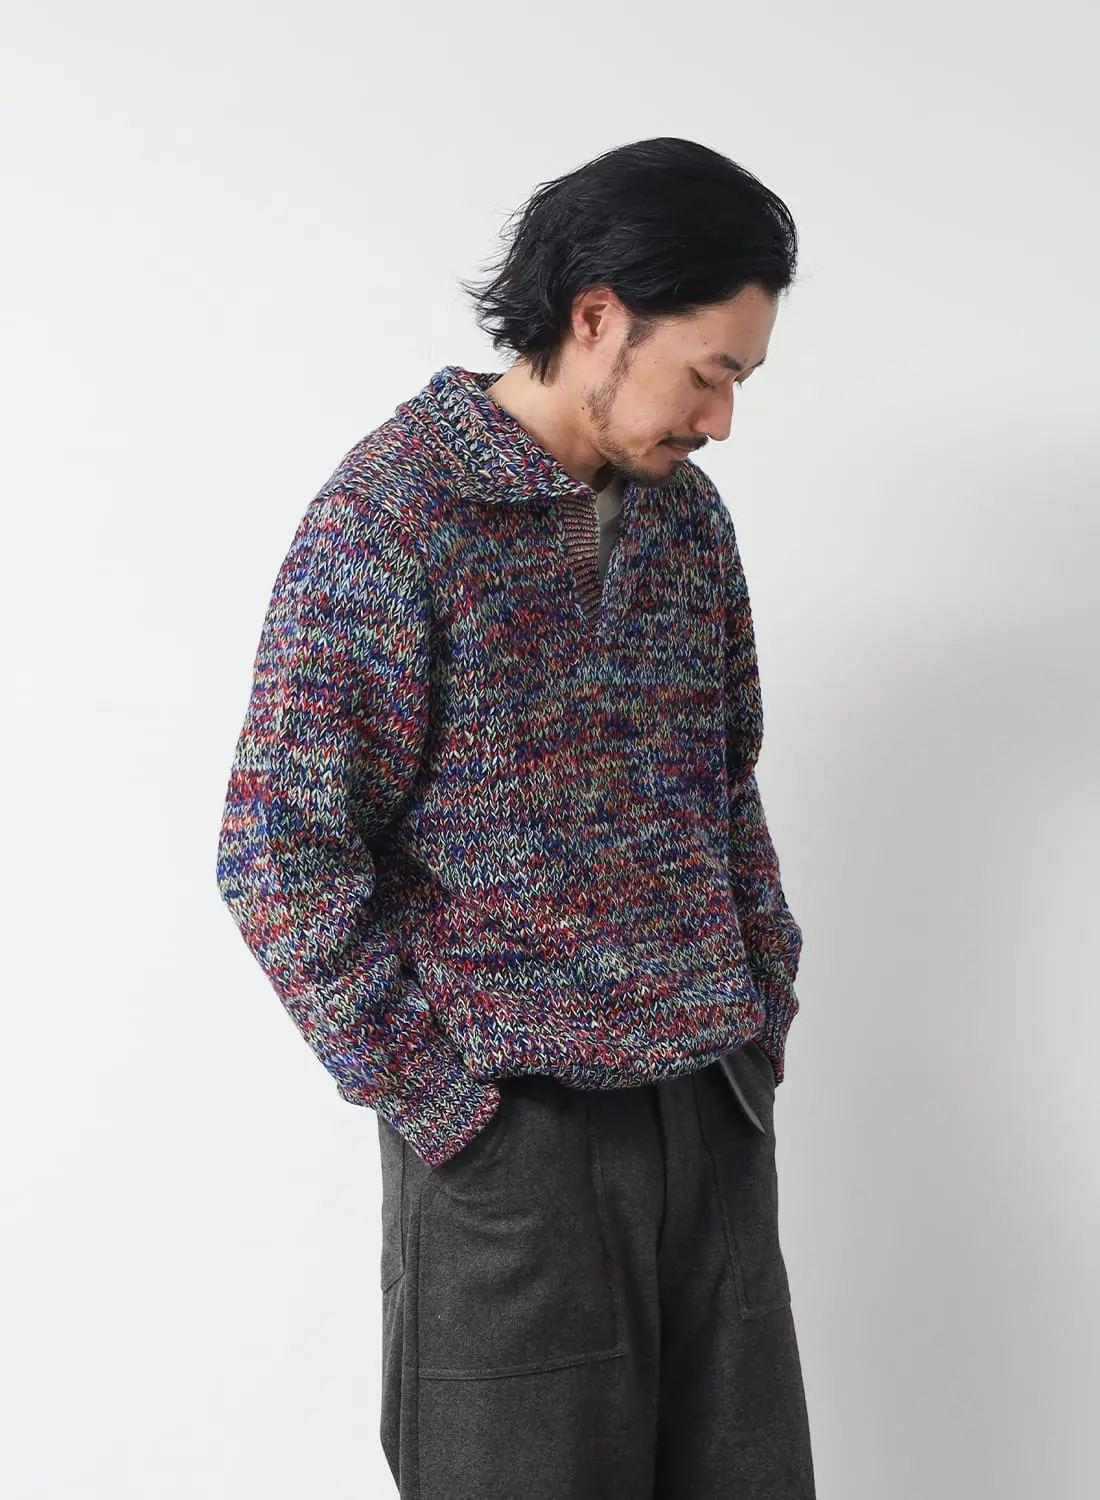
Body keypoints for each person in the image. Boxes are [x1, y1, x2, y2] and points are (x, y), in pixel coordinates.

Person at [216, 135, 816, 1499]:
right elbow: (276, 850)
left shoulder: (688, 524)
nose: (722, 418)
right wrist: (447, 1104)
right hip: (517, 1153)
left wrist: (759, 1009)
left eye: (741, 379)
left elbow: (727, 787)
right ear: (597, 316)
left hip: (712, 1115)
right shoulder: (392, 519)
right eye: (708, 372)